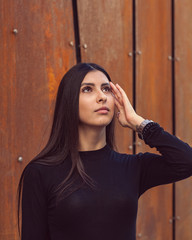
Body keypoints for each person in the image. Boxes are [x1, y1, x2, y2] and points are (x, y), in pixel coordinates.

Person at [18, 62, 192, 240]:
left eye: (106, 89)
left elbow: (186, 161)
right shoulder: (41, 172)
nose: (102, 97)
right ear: (69, 101)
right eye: (87, 89)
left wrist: (138, 123)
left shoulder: (132, 167)